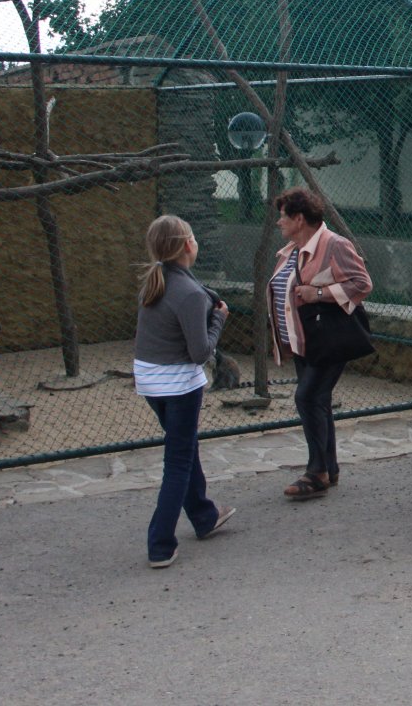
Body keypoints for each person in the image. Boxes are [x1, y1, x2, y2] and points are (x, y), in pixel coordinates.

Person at [132, 214, 234, 569]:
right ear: (188, 244)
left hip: (150, 380)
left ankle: (205, 516)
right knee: (177, 461)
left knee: (184, 448)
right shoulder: (189, 293)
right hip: (178, 384)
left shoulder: (153, 281)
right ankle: (160, 543)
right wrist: (219, 319)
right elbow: (200, 352)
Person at [267, 188, 373, 500]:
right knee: (318, 400)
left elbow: (362, 283)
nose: (279, 222)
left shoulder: (334, 245)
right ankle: (329, 467)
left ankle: (317, 472)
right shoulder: (291, 249)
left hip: (329, 339)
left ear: (299, 219)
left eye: (284, 216)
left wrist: (320, 294)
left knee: (307, 397)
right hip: (304, 341)